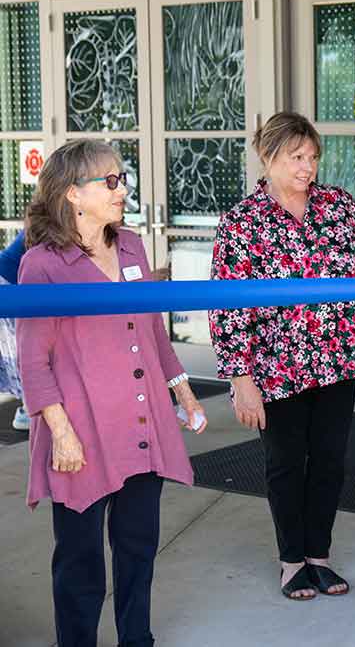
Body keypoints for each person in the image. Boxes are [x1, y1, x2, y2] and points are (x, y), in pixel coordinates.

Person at [16, 139, 207, 646]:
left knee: (138, 549)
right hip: (80, 432)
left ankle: (135, 640)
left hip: (142, 424)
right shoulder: (42, 264)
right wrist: (61, 432)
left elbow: (151, 332)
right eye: (112, 180)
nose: (123, 188)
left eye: (122, 178)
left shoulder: (131, 247)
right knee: (80, 565)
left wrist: (184, 394)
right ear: (74, 194)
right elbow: (33, 362)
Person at [209, 111, 355, 601]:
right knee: (285, 462)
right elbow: (227, 305)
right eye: (295, 157)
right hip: (275, 364)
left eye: (313, 157)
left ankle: (318, 556)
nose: (307, 167)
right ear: (268, 157)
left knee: (329, 459)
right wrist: (240, 376)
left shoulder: (340, 206)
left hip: (337, 354)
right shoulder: (242, 222)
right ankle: (290, 560)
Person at [1, 230, 29, 430]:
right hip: (8, 284)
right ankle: (28, 410)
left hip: (11, 283)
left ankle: (27, 409)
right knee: (20, 349)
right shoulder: (51, 222)